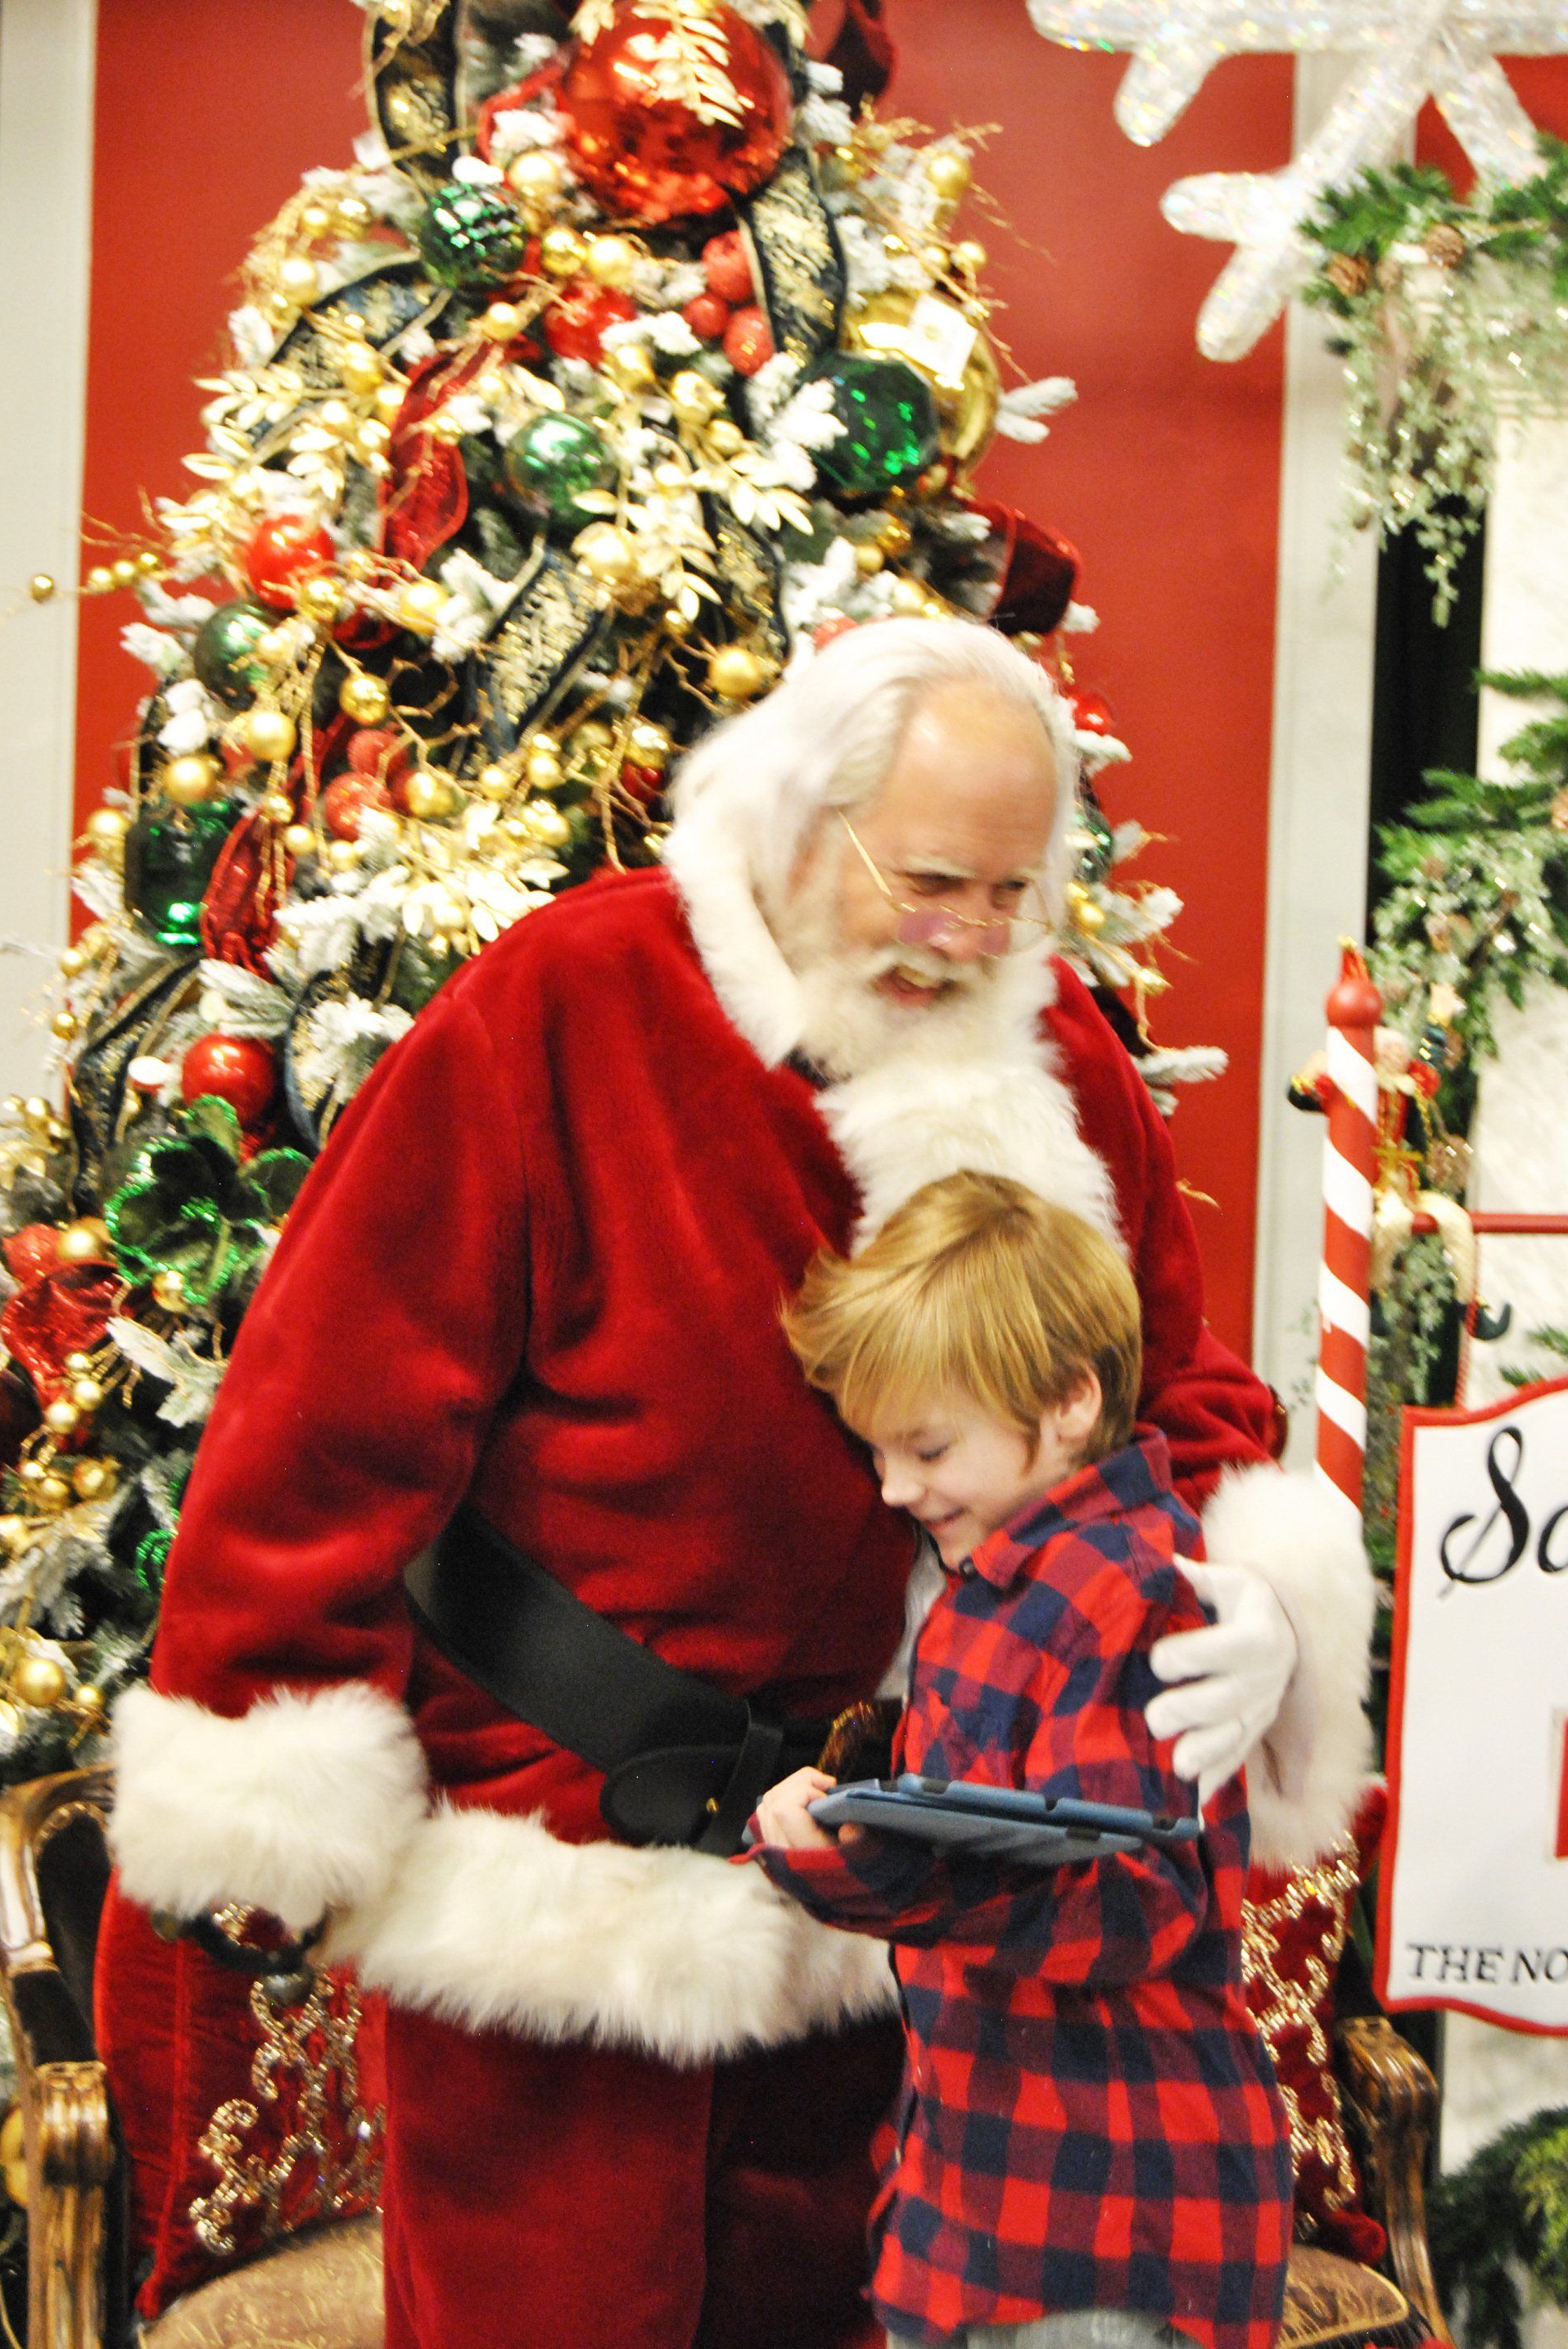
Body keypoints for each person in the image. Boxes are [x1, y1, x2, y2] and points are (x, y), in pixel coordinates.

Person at [106, 619, 1368, 2349]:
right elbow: (328, 1406)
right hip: (566, 1905)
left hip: (909, 1901)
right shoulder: (570, 998)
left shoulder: (1056, 1052)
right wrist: (264, 1745)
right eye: (932, 881)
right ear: (794, 818)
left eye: (1013, 892)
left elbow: (1167, 1380)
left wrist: (1252, 1584)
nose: (972, 936)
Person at [751, 1170, 1292, 2349]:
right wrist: (859, 1798)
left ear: (1068, 1402)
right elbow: (1012, 1784)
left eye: (928, 1446)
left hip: (1105, 2232)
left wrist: (883, 1868)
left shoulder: (1131, 1592)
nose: (895, 1487)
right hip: (985, 2204)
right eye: (878, 1451)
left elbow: (1135, 1901)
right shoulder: (1004, 1584)